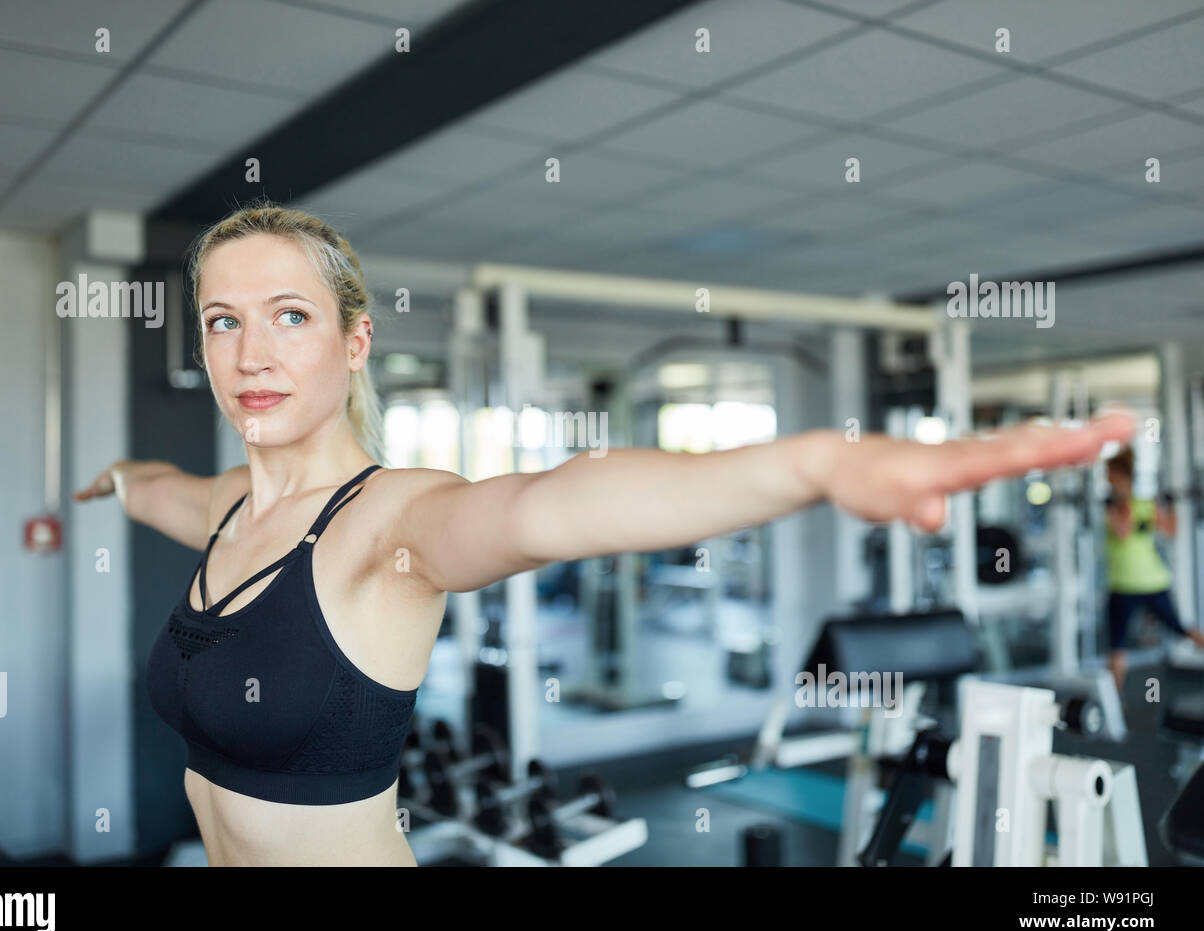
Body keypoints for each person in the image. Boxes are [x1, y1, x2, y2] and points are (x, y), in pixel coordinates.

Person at [75, 200, 1136, 866]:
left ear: (355, 341)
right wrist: (99, 484)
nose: (250, 351)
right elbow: (150, 483)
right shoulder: (224, 510)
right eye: (223, 321)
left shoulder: (389, 520)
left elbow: (558, 502)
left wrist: (817, 461)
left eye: (288, 314)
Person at [1104, 447, 1204, 690]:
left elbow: (1170, 530)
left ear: (1118, 475)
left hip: (1150, 581)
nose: (1107, 478)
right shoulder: (1113, 505)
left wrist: (1168, 506)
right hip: (1123, 583)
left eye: (1109, 473)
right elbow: (1124, 531)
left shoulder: (1141, 504)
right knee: (1117, 646)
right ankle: (1115, 705)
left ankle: (1115, 702)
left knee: (1181, 629)